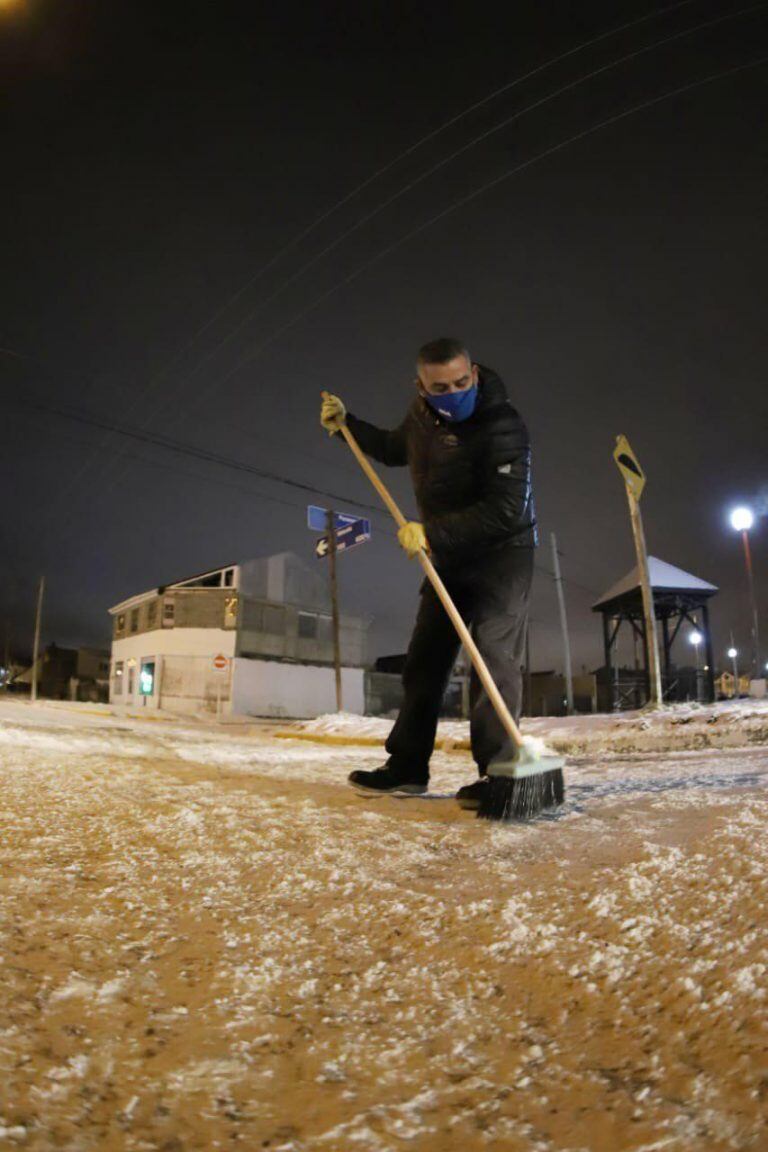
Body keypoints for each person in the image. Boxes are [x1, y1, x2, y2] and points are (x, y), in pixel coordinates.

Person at [320, 338, 536, 809]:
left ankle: (501, 774)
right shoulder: (421, 418)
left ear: (474, 374)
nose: (453, 392)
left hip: (503, 554)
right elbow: (395, 448)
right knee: (424, 662)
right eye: (440, 387)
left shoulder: (503, 425)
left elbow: (505, 509)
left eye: (462, 382)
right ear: (420, 387)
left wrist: (431, 532)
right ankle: (406, 768)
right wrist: (347, 426)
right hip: (448, 556)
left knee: (492, 660)